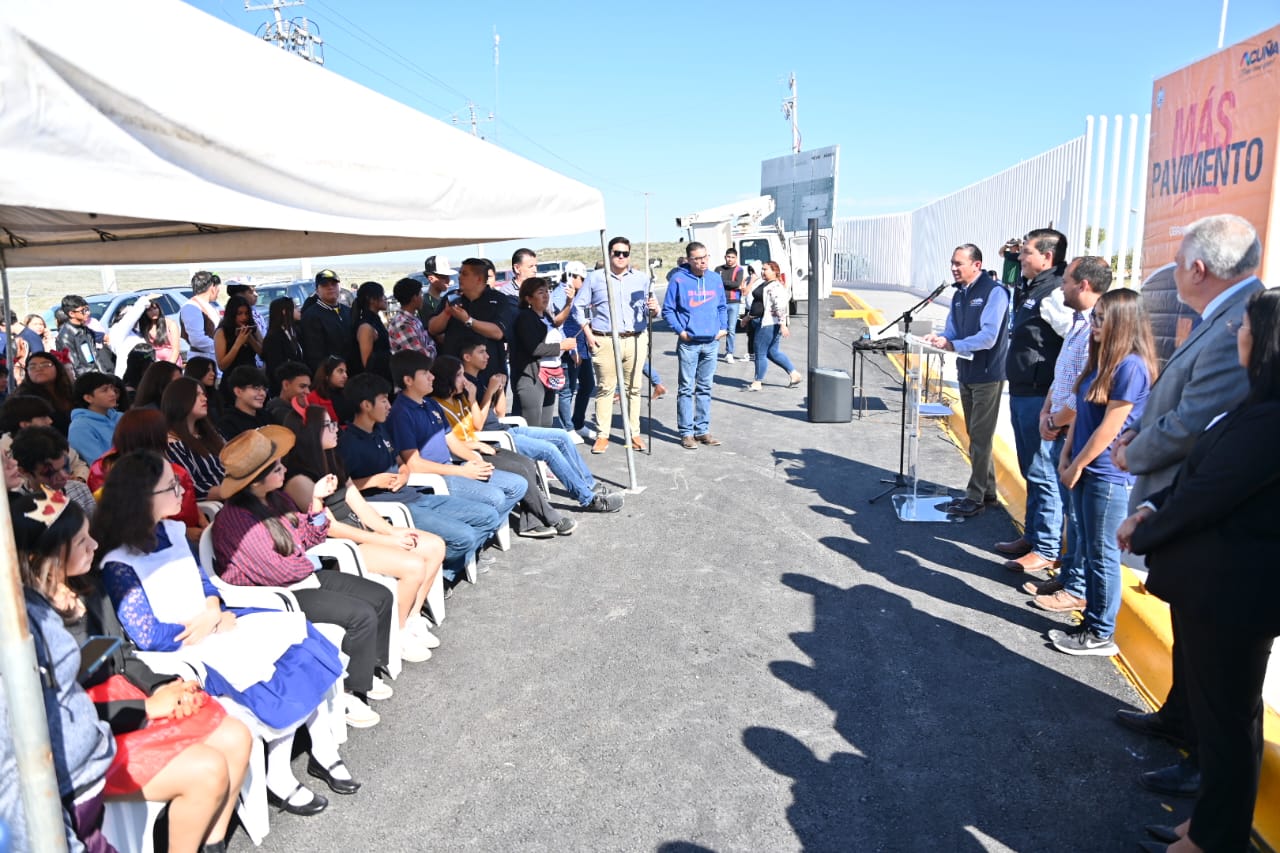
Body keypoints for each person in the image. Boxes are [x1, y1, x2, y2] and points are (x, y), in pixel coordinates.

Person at [95, 450, 356, 818]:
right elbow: (147, 634)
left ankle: (321, 750)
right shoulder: (118, 561)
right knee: (261, 665)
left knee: (296, 633)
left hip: (213, 623)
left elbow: (203, 582)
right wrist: (206, 625)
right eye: (171, 486)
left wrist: (215, 610)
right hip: (181, 645)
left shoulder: (173, 530)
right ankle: (279, 776)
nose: (182, 491)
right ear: (142, 498)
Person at [1117, 287, 1280, 853]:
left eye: (1246, 327)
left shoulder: (1269, 420)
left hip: (1235, 597)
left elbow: (1209, 493)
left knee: (1229, 726)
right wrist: (1152, 507)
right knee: (1225, 723)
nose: (1238, 332)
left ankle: (1214, 839)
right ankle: (1212, 825)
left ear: (1266, 343)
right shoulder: (1257, 405)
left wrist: (1146, 526)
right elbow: (1196, 481)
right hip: (1219, 592)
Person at [11, 485, 252, 853]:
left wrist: (162, 687)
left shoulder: (89, 588)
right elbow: (53, 717)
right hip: (89, 727)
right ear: (44, 557)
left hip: (124, 696)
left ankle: (212, 844)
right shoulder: (27, 629)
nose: (94, 546)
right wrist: (146, 708)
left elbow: (120, 653)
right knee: (207, 770)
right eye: (81, 542)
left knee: (236, 737)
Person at [211, 427, 395, 730]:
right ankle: (350, 692)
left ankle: (366, 668)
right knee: (360, 614)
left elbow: (310, 536)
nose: (285, 468)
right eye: (277, 466)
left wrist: (318, 501)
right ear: (256, 480)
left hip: (298, 577)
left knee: (380, 596)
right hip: (271, 595)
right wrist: (305, 560)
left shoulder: (275, 498)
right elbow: (278, 571)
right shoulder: (236, 521)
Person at [282, 403, 444, 658]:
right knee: (413, 565)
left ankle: (412, 617)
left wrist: (390, 533)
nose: (336, 429)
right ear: (310, 433)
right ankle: (396, 634)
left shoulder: (333, 459)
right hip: (341, 546)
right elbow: (331, 528)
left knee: (434, 546)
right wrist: (383, 539)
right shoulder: (299, 480)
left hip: (362, 531)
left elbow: (360, 504)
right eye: (328, 425)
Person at [1048, 288, 1155, 656]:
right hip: (1084, 468)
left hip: (1106, 476)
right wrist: (1066, 454)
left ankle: (1100, 633)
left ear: (1123, 323)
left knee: (1101, 554)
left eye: (1101, 320)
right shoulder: (1102, 360)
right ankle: (1092, 621)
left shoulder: (1131, 367)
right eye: (1094, 318)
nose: (1093, 325)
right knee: (1091, 551)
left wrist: (1077, 465)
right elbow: (1081, 413)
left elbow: (1110, 428)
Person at [338, 372, 502, 584]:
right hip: (391, 506)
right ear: (366, 406)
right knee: (465, 536)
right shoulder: (348, 443)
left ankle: (443, 572)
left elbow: (402, 463)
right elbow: (343, 490)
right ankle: (430, 573)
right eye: (383, 400)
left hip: (414, 495)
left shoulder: (380, 429)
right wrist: (373, 481)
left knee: (488, 516)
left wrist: (404, 474)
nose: (389, 405)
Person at [1025, 256, 1112, 612]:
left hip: (1072, 430)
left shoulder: (1099, 329)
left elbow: (1087, 390)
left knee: (1077, 517)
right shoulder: (1080, 324)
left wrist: (1056, 421)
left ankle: (1077, 588)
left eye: (1067, 279)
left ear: (1084, 285)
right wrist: (1047, 409)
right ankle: (1067, 574)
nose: (1061, 285)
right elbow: (1066, 378)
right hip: (1058, 422)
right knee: (1070, 512)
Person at [459, 341, 623, 513]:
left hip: (504, 429)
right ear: (467, 357)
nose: (487, 356)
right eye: (481, 352)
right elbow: (477, 425)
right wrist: (490, 392)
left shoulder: (480, 381)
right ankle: (588, 499)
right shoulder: (467, 386)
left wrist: (498, 391)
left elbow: (499, 414)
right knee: (549, 450)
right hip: (494, 439)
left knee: (562, 436)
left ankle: (590, 484)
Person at [430, 355, 576, 537]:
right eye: (459, 375)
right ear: (447, 378)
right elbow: (446, 442)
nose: (464, 379)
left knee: (526, 462)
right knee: (518, 469)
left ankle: (531, 522)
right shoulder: (436, 406)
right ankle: (551, 517)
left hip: (479, 445)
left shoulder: (460, 399)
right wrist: (474, 444)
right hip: (465, 454)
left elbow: (476, 424)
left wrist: (474, 397)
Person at [998, 228, 1073, 573]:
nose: (1020, 257)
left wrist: (1058, 399)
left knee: (1043, 472)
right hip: (1024, 390)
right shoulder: (1035, 286)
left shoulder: (1056, 293)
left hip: (1041, 396)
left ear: (1047, 257)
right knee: (1032, 468)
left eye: (1026, 252)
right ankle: (1033, 536)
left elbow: (1075, 344)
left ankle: (1046, 547)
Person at [387, 349, 526, 527]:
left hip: (452, 467)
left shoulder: (430, 404)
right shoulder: (401, 413)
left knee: (518, 485)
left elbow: (452, 442)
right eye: (425, 373)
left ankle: (481, 533)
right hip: (435, 478)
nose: (432, 377)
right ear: (408, 380)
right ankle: (475, 535)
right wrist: (463, 472)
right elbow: (414, 464)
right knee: (496, 498)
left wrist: (476, 459)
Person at [924, 244, 1011, 517]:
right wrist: (942, 339)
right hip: (966, 372)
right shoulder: (959, 295)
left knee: (981, 437)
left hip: (988, 375)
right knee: (976, 436)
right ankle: (988, 492)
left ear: (977, 264)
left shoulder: (994, 293)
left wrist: (954, 344)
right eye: (952, 262)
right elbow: (952, 328)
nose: (953, 268)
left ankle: (974, 496)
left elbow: (988, 337)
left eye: (959, 263)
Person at [576, 236, 659, 453]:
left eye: (625, 253)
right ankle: (602, 435)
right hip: (604, 339)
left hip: (636, 338)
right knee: (605, 388)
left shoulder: (641, 279)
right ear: (609, 254)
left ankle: (634, 434)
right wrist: (587, 333)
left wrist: (654, 309)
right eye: (617, 253)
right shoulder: (595, 278)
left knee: (634, 388)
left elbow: (652, 308)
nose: (621, 257)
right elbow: (579, 306)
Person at [89, 407, 206, 542]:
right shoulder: (169, 471)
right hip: (151, 540)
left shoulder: (100, 466)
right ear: (155, 438)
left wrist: (199, 515)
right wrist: (184, 531)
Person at [663, 241, 728, 450]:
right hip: (689, 344)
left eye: (705, 257)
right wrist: (681, 331)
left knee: (705, 387)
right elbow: (668, 310)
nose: (702, 262)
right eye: (698, 259)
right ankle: (686, 432)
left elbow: (721, 306)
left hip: (711, 343)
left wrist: (723, 328)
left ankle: (702, 430)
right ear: (689, 260)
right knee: (686, 388)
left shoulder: (715, 279)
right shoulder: (679, 279)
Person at [426, 257, 513, 390]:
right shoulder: (452, 297)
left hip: (489, 373)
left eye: (464, 274)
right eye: (460, 273)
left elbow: (498, 332)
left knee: (488, 410)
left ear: (479, 279)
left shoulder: (498, 299)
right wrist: (446, 313)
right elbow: (432, 329)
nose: (459, 277)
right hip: (455, 375)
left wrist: (468, 321)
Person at [511, 277, 577, 428]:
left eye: (547, 291)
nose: (546, 295)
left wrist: (568, 303)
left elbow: (557, 322)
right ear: (528, 298)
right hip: (532, 377)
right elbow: (535, 348)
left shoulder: (545, 316)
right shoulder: (525, 317)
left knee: (547, 424)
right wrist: (562, 346)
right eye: (540, 292)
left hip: (550, 374)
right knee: (533, 425)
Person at [162, 377, 228, 502]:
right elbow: (191, 488)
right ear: (180, 400)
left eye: (203, 394)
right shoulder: (172, 444)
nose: (205, 398)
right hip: (218, 504)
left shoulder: (210, 433)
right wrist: (237, 489)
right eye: (197, 395)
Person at [12, 425, 98, 517]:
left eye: (65, 466)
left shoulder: (79, 489)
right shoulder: (18, 506)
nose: (63, 476)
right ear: (24, 471)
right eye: (49, 473)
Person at [551, 262, 593, 435]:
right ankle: (568, 428)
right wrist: (572, 350)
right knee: (567, 390)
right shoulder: (560, 295)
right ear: (571, 276)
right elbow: (560, 325)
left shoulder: (576, 293)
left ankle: (578, 423)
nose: (583, 282)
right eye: (581, 278)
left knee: (588, 384)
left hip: (581, 346)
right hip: (569, 349)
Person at [747, 261, 802, 390]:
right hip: (759, 321)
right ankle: (794, 374)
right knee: (772, 352)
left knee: (759, 351)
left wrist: (783, 325)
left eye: (765, 269)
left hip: (768, 323)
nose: (762, 272)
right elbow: (758, 303)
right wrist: (747, 317)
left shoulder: (776, 287)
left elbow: (780, 307)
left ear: (775, 271)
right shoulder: (765, 283)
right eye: (762, 269)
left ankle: (757, 382)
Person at [108, 294, 180, 375]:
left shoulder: (138, 330)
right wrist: (144, 300)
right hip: (128, 374)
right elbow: (130, 318)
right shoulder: (118, 330)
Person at [300, 269, 355, 371]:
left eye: (334, 284)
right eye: (325, 285)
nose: (330, 287)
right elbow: (314, 354)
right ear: (317, 290)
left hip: (351, 371)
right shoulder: (311, 316)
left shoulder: (348, 311)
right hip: (329, 375)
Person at [68, 371, 123, 463]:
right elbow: (100, 464)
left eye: (112, 389)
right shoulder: (80, 428)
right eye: (105, 390)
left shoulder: (121, 416)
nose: (112, 394)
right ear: (88, 398)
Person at [16, 350, 75, 433]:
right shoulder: (24, 399)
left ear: (57, 368)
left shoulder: (71, 391)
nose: (39, 369)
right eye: (32, 367)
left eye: (45, 365)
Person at [261, 297, 305, 394]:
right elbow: (275, 368)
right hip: (282, 390)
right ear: (285, 311)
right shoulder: (273, 338)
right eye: (295, 308)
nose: (299, 310)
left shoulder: (296, 330)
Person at [212, 295, 262, 380]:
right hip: (232, 379)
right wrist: (238, 343)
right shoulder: (222, 332)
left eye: (246, 313)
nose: (244, 317)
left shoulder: (253, 328)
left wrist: (250, 338)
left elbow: (263, 353)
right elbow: (222, 365)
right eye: (239, 314)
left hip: (252, 376)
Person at [56, 294, 105, 377]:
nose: (88, 313)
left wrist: (104, 374)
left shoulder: (85, 329)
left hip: (95, 375)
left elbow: (95, 355)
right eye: (83, 311)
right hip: (83, 380)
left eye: (87, 309)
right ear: (71, 313)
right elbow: (74, 365)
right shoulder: (65, 336)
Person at [179, 271, 221, 366]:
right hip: (202, 361)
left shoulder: (208, 306)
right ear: (212, 288)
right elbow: (197, 339)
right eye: (218, 287)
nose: (219, 290)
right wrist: (221, 347)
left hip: (213, 359)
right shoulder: (191, 307)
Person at [216, 365, 269, 440]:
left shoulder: (267, 416)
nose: (262, 393)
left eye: (264, 389)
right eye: (256, 388)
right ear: (238, 391)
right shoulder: (228, 424)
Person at [388, 277, 436, 357]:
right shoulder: (403, 324)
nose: (422, 297)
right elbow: (422, 357)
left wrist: (430, 346)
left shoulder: (411, 319)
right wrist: (432, 347)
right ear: (414, 298)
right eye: (421, 294)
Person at [715, 247, 746, 363]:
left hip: (734, 302)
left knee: (731, 329)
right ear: (725, 257)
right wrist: (729, 284)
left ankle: (729, 353)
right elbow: (715, 283)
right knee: (718, 327)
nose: (730, 259)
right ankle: (712, 351)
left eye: (732, 257)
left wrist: (723, 282)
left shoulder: (739, 270)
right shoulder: (718, 269)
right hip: (720, 302)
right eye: (728, 257)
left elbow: (736, 284)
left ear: (736, 258)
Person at [307, 355, 354, 426]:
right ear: (327, 374)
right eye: (340, 371)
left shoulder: (348, 393)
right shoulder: (313, 397)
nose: (345, 375)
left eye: (345, 372)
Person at [417, 255, 455, 329]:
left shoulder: (443, 299)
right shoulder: (426, 303)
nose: (448, 280)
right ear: (431, 278)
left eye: (448, 276)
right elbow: (435, 333)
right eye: (444, 277)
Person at [184, 356, 225, 424]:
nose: (213, 374)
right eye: (208, 370)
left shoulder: (216, 395)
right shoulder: (187, 397)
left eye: (213, 370)